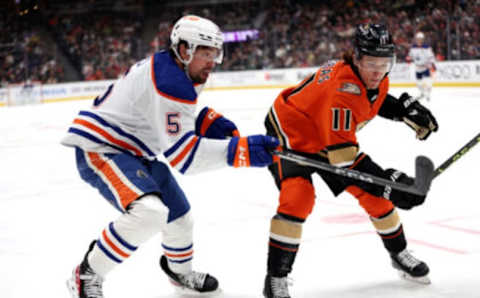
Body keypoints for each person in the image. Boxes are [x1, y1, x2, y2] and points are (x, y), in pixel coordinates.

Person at [61, 15, 279, 298]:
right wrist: (242, 152)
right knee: (150, 214)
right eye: (205, 52)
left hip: (133, 150)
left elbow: (162, 114)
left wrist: (201, 120)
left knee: (180, 217)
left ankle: (180, 274)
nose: (212, 61)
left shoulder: (180, 70)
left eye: (215, 53)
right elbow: (185, 158)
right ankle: (87, 273)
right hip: (102, 148)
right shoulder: (170, 80)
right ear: (184, 49)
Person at [262, 23, 439, 298]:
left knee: (377, 199)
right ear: (355, 57)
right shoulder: (343, 89)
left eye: (385, 62)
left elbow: (374, 99)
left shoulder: (370, 76)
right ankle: (275, 277)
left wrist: (402, 111)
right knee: (298, 198)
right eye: (371, 63)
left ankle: (399, 253)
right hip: (291, 136)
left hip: (324, 133)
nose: (378, 71)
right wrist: (390, 182)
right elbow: (343, 158)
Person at [407, 31, 436, 101]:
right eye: (418, 39)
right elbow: (410, 56)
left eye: (420, 39)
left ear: (423, 39)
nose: (419, 40)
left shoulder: (427, 47)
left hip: (425, 67)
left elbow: (431, 56)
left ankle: (428, 94)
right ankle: (423, 93)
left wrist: (432, 64)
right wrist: (409, 58)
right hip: (417, 68)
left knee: (428, 83)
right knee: (418, 84)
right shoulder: (413, 48)